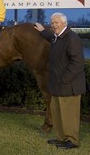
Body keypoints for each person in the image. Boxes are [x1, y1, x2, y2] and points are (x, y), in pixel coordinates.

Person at [34, 12, 86, 149]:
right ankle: (61, 137)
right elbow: (52, 37)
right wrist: (43, 31)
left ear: (64, 23)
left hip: (68, 85)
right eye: (52, 23)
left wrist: (64, 79)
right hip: (57, 85)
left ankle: (72, 140)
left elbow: (78, 63)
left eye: (57, 22)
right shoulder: (58, 37)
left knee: (69, 114)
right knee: (57, 113)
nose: (54, 25)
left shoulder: (71, 38)